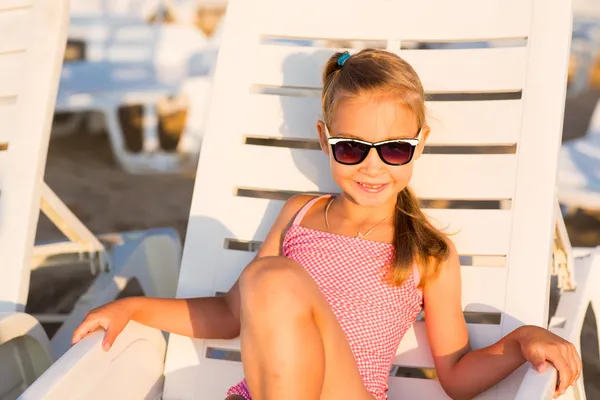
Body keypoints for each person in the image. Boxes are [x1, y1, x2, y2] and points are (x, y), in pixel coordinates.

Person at [72, 49, 582, 400]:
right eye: (352, 147)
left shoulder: (427, 252)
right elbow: (231, 315)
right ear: (325, 140)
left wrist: (520, 341)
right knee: (266, 282)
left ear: (420, 144)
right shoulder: (298, 213)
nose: (372, 166)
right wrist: (134, 306)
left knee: (273, 277)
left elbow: (455, 374)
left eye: (396, 148)